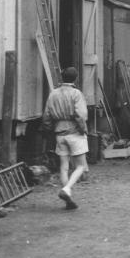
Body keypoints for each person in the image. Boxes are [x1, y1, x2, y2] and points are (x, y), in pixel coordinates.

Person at [42, 67, 88, 210]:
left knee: (64, 167)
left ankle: (68, 200)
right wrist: (83, 130)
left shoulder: (53, 94)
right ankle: (67, 189)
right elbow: (81, 116)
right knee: (81, 166)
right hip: (74, 132)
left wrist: (49, 128)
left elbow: (46, 116)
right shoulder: (76, 94)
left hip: (59, 134)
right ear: (75, 79)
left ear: (62, 78)